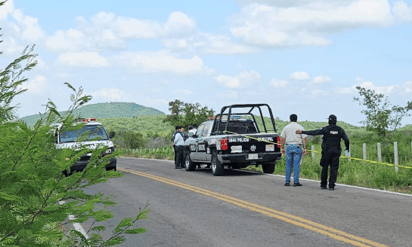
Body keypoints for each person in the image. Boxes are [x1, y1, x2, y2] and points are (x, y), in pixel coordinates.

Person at [296, 114, 350, 191]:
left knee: (325, 167)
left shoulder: (325, 129)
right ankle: (331, 185)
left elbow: (315, 132)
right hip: (336, 151)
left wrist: (302, 132)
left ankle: (323, 184)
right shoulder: (340, 130)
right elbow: (347, 140)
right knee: (334, 168)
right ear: (336, 121)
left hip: (326, 151)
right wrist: (346, 148)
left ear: (328, 121)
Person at [280, 114, 307, 187]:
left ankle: (287, 181)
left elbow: (282, 139)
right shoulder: (300, 127)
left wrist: (282, 148)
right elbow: (304, 139)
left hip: (288, 146)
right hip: (297, 146)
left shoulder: (286, 127)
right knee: (296, 165)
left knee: (288, 164)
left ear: (290, 119)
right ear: (296, 119)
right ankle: (296, 181)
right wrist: (305, 148)